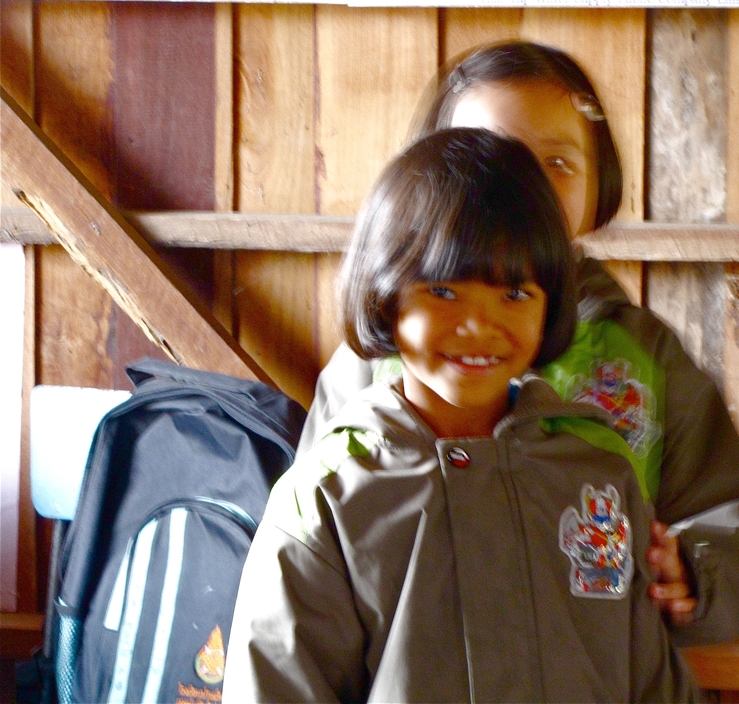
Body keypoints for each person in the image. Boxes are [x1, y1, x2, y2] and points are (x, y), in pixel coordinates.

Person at [299, 40, 739, 646]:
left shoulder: (643, 356)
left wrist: (694, 571)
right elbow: (310, 535)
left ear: (599, 183)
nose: (524, 187)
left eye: (558, 162)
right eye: (491, 159)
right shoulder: (377, 359)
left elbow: (729, 508)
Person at [222, 128, 701, 702]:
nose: (480, 326)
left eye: (516, 294)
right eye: (444, 292)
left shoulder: (597, 475)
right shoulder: (327, 498)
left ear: (552, 303)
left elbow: (653, 684)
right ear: (385, 294)